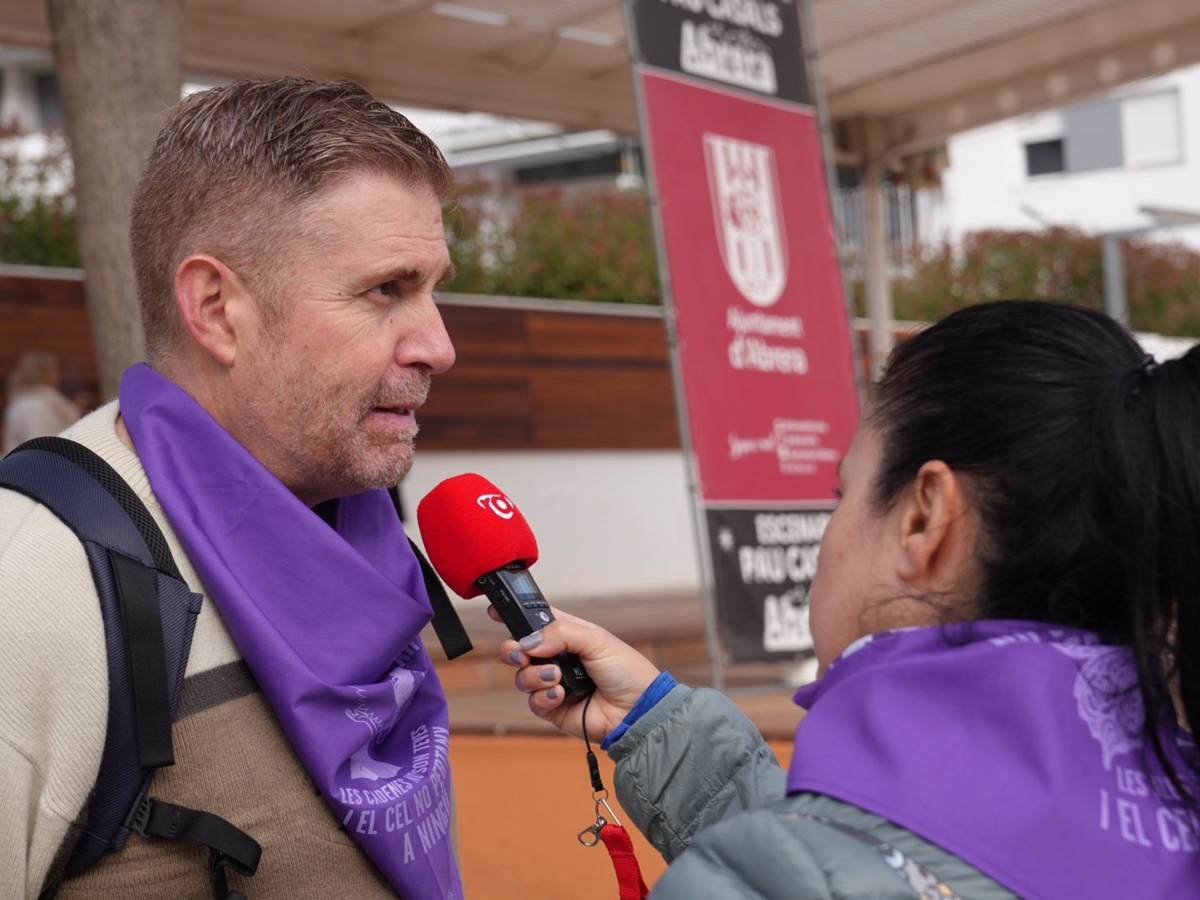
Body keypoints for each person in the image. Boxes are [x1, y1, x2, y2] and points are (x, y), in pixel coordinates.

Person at [501, 300, 1200, 898]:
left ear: (925, 519)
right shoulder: (1165, 809)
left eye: (844, 492)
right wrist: (665, 728)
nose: (831, 532)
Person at [0, 78, 462, 899]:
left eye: (434, 289)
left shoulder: (365, 536)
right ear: (216, 309)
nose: (439, 345)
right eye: (386, 290)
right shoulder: (31, 583)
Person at [2, 350, 81, 453]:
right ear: (45, 373)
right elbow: (39, 449)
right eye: (55, 370)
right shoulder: (36, 406)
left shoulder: (23, 401)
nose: (58, 375)